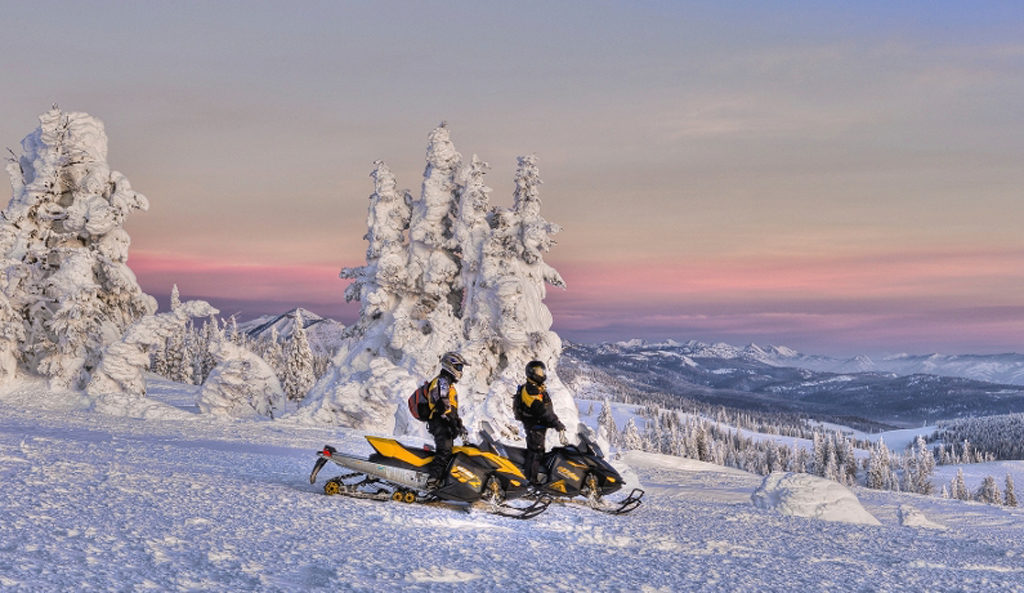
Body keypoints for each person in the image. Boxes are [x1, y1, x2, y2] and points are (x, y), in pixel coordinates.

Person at [514, 360, 567, 485]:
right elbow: (541, 410)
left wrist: (555, 421)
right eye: (538, 371)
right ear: (531, 372)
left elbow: (546, 409)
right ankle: (530, 482)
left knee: (539, 452)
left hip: (539, 425)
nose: (541, 374)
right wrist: (556, 423)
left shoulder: (538, 388)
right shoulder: (530, 390)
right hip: (534, 426)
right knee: (535, 452)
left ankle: (538, 477)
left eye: (542, 371)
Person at [424, 351, 469, 489]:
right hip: (440, 422)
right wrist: (452, 422)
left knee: (449, 451)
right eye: (459, 367)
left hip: (444, 422)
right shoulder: (443, 381)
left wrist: (458, 423)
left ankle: (444, 480)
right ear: (450, 365)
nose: (461, 371)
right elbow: (443, 405)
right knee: (444, 451)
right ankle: (433, 481)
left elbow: (451, 409)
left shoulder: (447, 383)